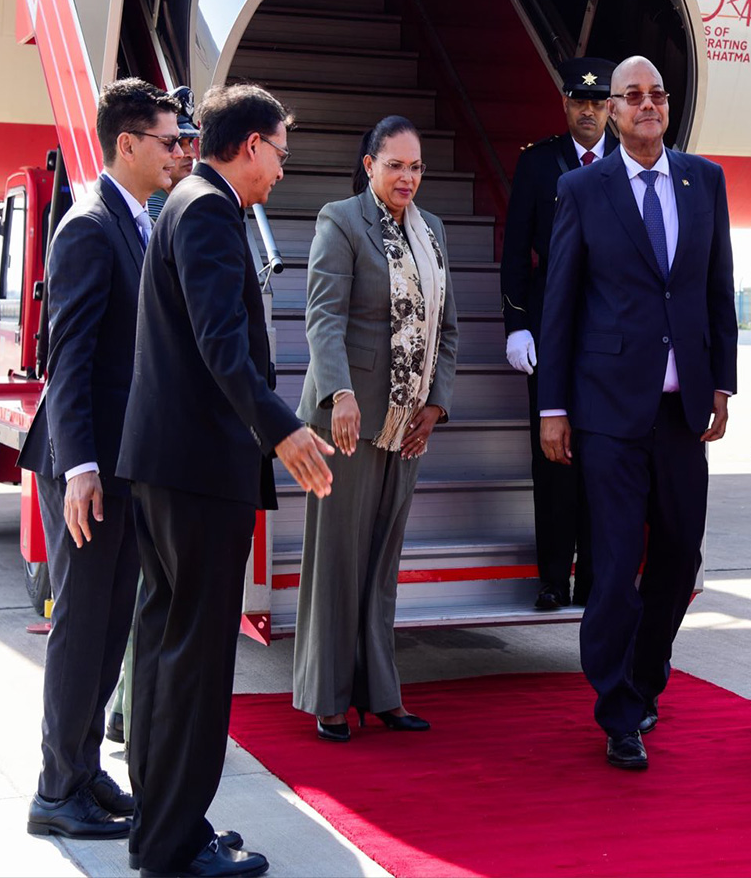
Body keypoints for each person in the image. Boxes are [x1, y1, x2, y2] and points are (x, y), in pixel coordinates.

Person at [118, 83, 336, 878]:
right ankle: (175, 845)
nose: (282, 169)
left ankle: (163, 827)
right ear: (251, 146)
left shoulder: (184, 202)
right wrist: (280, 428)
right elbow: (221, 346)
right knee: (197, 662)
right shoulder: (209, 211)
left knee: (167, 651)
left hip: (167, 467)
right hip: (198, 471)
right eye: (281, 151)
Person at [537, 55, 737, 771]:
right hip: (607, 411)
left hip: (682, 410)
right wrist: (553, 406)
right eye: (632, 96)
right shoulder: (581, 189)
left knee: (681, 555)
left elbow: (718, 290)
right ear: (613, 111)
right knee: (618, 561)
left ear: (666, 105)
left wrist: (722, 385)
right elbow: (558, 304)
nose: (646, 104)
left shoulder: (703, 180)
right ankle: (618, 710)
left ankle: (646, 677)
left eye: (656, 94)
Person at [21, 79, 184, 841]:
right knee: (83, 626)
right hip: (86, 465)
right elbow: (71, 358)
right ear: (128, 143)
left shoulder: (135, 220)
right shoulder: (90, 225)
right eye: (167, 139)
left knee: (110, 621)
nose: (177, 151)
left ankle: (84, 770)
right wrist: (81, 466)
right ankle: (56, 789)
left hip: (120, 464)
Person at [293, 115, 459, 742]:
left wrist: (435, 406)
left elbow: (447, 331)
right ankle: (330, 699)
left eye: (416, 167)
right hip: (349, 420)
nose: (407, 178)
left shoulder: (434, 231)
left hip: (406, 426)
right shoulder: (340, 220)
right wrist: (338, 392)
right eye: (395, 165)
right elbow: (324, 317)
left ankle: (381, 693)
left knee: (382, 563)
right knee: (337, 560)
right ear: (369, 166)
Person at [500, 57, 619, 611]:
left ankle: (594, 579)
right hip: (550, 330)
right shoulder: (539, 164)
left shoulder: (631, 162)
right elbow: (516, 252)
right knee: (551, 459)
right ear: (566, 105)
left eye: (598, 102)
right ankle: (553, 578)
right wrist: (517, 324)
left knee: (601, 458)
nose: (589, 110)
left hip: (612, 337)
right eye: (579, 101)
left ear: (611, 107)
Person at [106, 83, 201, 749]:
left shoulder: (170, 203)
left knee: (149, 591)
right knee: (151, 593)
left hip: (157, 432)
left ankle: (126, 713)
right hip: (148, 437)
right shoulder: (165, 210)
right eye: (174, 141)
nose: (181, 152)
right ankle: (131, 719)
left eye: (186, 141)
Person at [144, 85, 200, 222]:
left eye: (190, 143)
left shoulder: (179, 201)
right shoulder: (153, 208)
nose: (190, 154)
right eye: (176, 143)